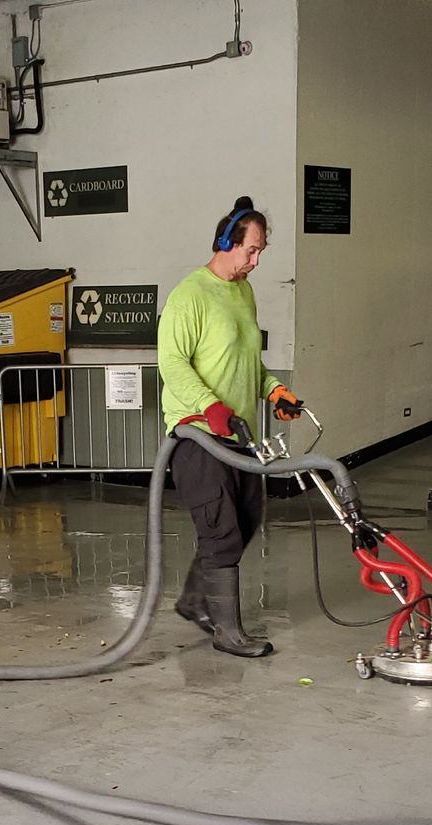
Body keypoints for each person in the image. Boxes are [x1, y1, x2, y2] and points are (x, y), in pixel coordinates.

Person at [157, 196, 304, 658]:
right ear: (226, 242)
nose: (256, 260)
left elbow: (248, 363)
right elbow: (172, 365)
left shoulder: (243, 293)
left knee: (246, 519)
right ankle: (228, 632)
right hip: (198, 435)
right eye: (252, 250)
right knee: (221, 531)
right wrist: (210, 407)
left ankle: (196, 601)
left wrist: (275, 390)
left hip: (238, 434)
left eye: (261, 251)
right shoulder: (189, 295)